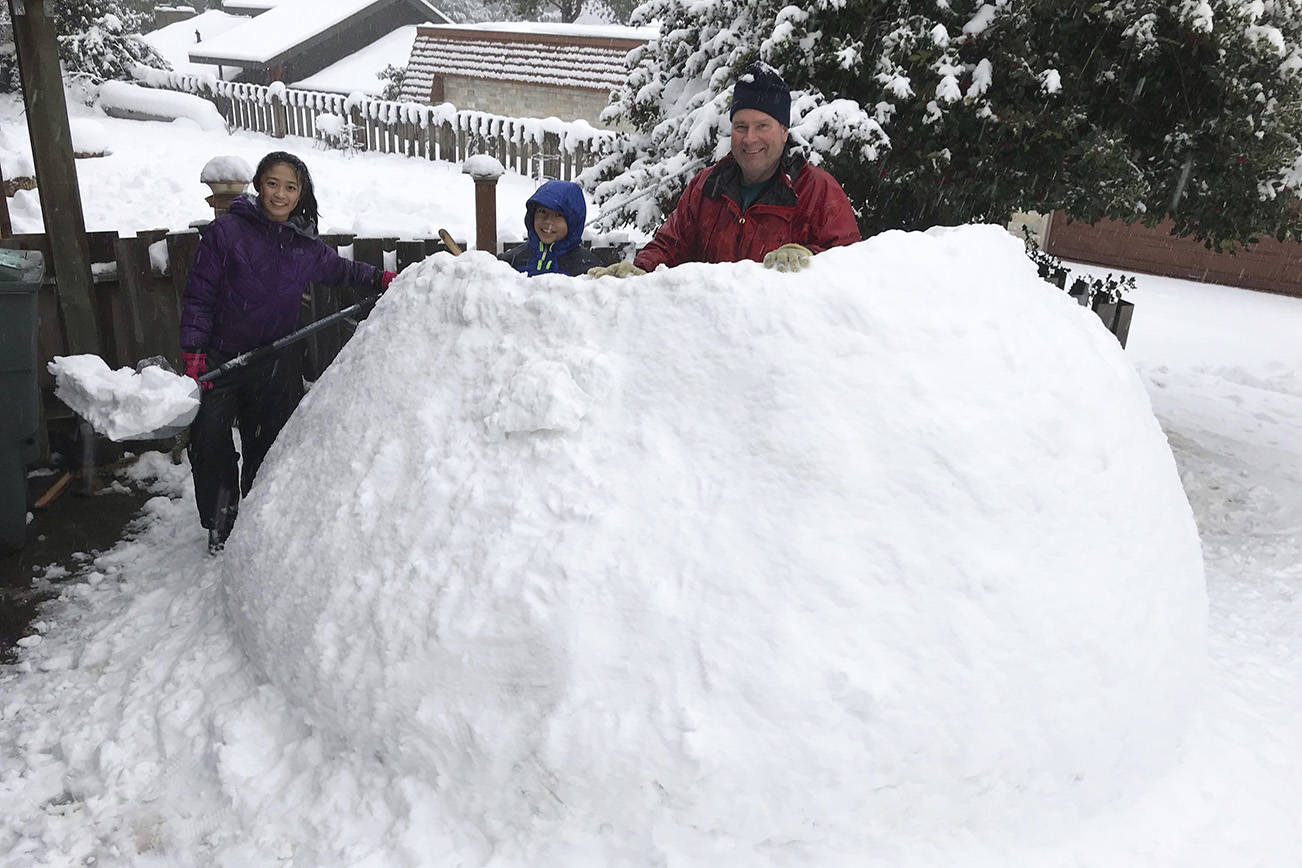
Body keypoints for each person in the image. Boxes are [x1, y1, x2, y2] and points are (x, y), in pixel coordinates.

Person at [179, 151, 395, 555]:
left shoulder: (301, 244)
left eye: (291, 187)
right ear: (259, 185)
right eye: (273, 184)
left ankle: (259, 519)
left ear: (301, 194)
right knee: (210, 442)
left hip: (274, 360)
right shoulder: (227, 233)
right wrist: (193, 349)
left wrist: (381, 278)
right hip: (220, 359)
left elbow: (341, 271)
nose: (280, 194)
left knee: (268, 445)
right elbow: (199, 294)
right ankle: (221, 525)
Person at [589, 61, 860, 278]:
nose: (750, 138)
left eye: (762, 126)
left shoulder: (816, 191)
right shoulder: (708, 185)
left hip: (781, 341)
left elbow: (851, 267)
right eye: (741, 127)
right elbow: (671, 245)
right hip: (713, 336)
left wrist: (808, 256)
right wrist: (641, 269)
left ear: (784, 131)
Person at [499, 179, 601, 277]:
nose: (548, 221)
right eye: (542, 212)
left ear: (573, 223)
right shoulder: (510, 262)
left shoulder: (588, 268)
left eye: (558, 215)